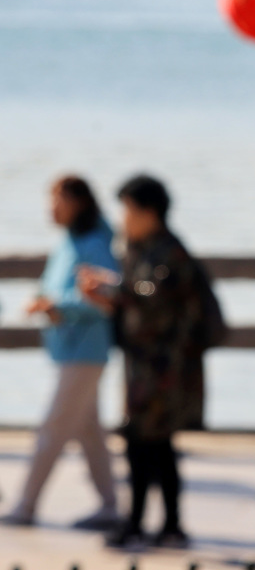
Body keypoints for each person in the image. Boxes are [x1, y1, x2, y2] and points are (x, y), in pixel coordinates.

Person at [81, 174, 218, 550]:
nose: (124, 218)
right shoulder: (145, 248)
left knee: (151, 444)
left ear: (148, 212)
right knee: (145, 444)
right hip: (145, 367)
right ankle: (147, 523)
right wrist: (112, 290)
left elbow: (152, 301)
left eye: (128, 209)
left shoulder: (169, 253)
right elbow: (138, 295)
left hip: (164, 370)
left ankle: (155, 524)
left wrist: (112, 291)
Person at [3, 176, 118, 528]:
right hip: (69, 349)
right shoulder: (68, 241)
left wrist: (57, 305)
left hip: (86, 351)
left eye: (58, 199)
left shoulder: (95, 242)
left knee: (52, 428)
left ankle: (25, 506)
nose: (51, 208)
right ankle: (110, 508)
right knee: (89, 433)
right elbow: (57, 288)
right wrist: (45, 301)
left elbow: (105, 295)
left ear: (79, 202)